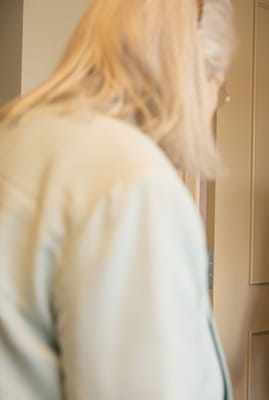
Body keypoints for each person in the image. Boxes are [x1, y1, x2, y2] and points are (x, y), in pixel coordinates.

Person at [0, 0, 234, 398]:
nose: (214, 105)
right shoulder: (136, 183)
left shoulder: (17, 135)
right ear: (192, 72)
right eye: (220, 86)